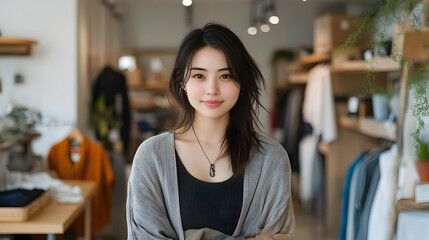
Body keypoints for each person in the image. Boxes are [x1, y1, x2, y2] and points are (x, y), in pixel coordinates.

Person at [126, 22, 295, 240]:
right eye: (199, 76)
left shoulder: (271, 159)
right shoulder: (151, 157)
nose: (212, 89)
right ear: (182, 83)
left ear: (242, 83)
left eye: (225, 76)